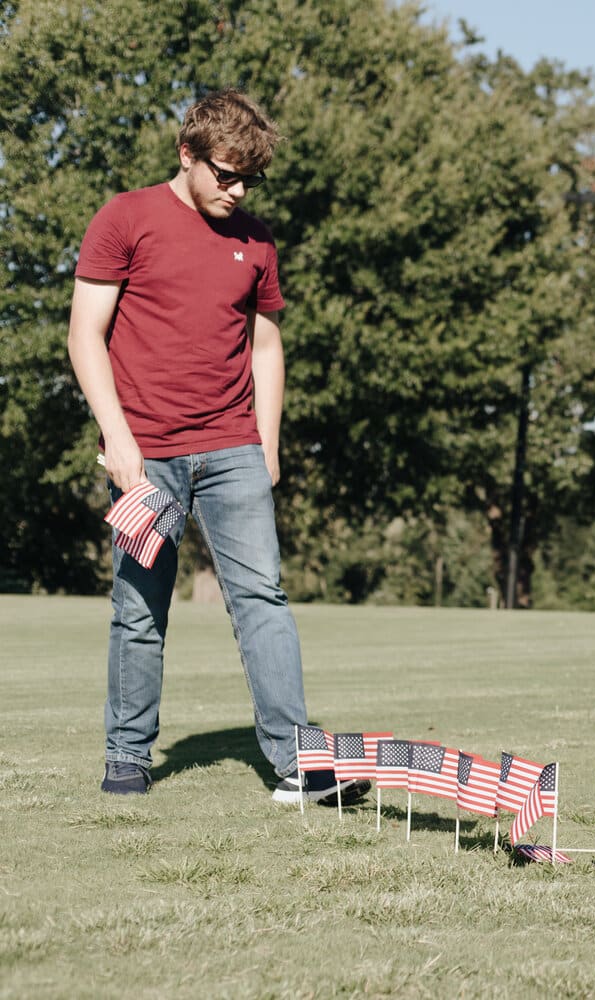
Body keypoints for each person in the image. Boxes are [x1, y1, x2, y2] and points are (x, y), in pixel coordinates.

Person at [68, 89, 362, 805]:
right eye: (225, 174)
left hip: (233, 450)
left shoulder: (256, 240)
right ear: (187, 154)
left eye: (249, 180)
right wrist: (118, 437)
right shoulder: (126, 218)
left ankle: (299, 765)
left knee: (264, 597)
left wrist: (268, 442)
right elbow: (85, 335)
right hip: (147, 456)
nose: (236, 191)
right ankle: (128, 757)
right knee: (140, 606)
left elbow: (266, 343)